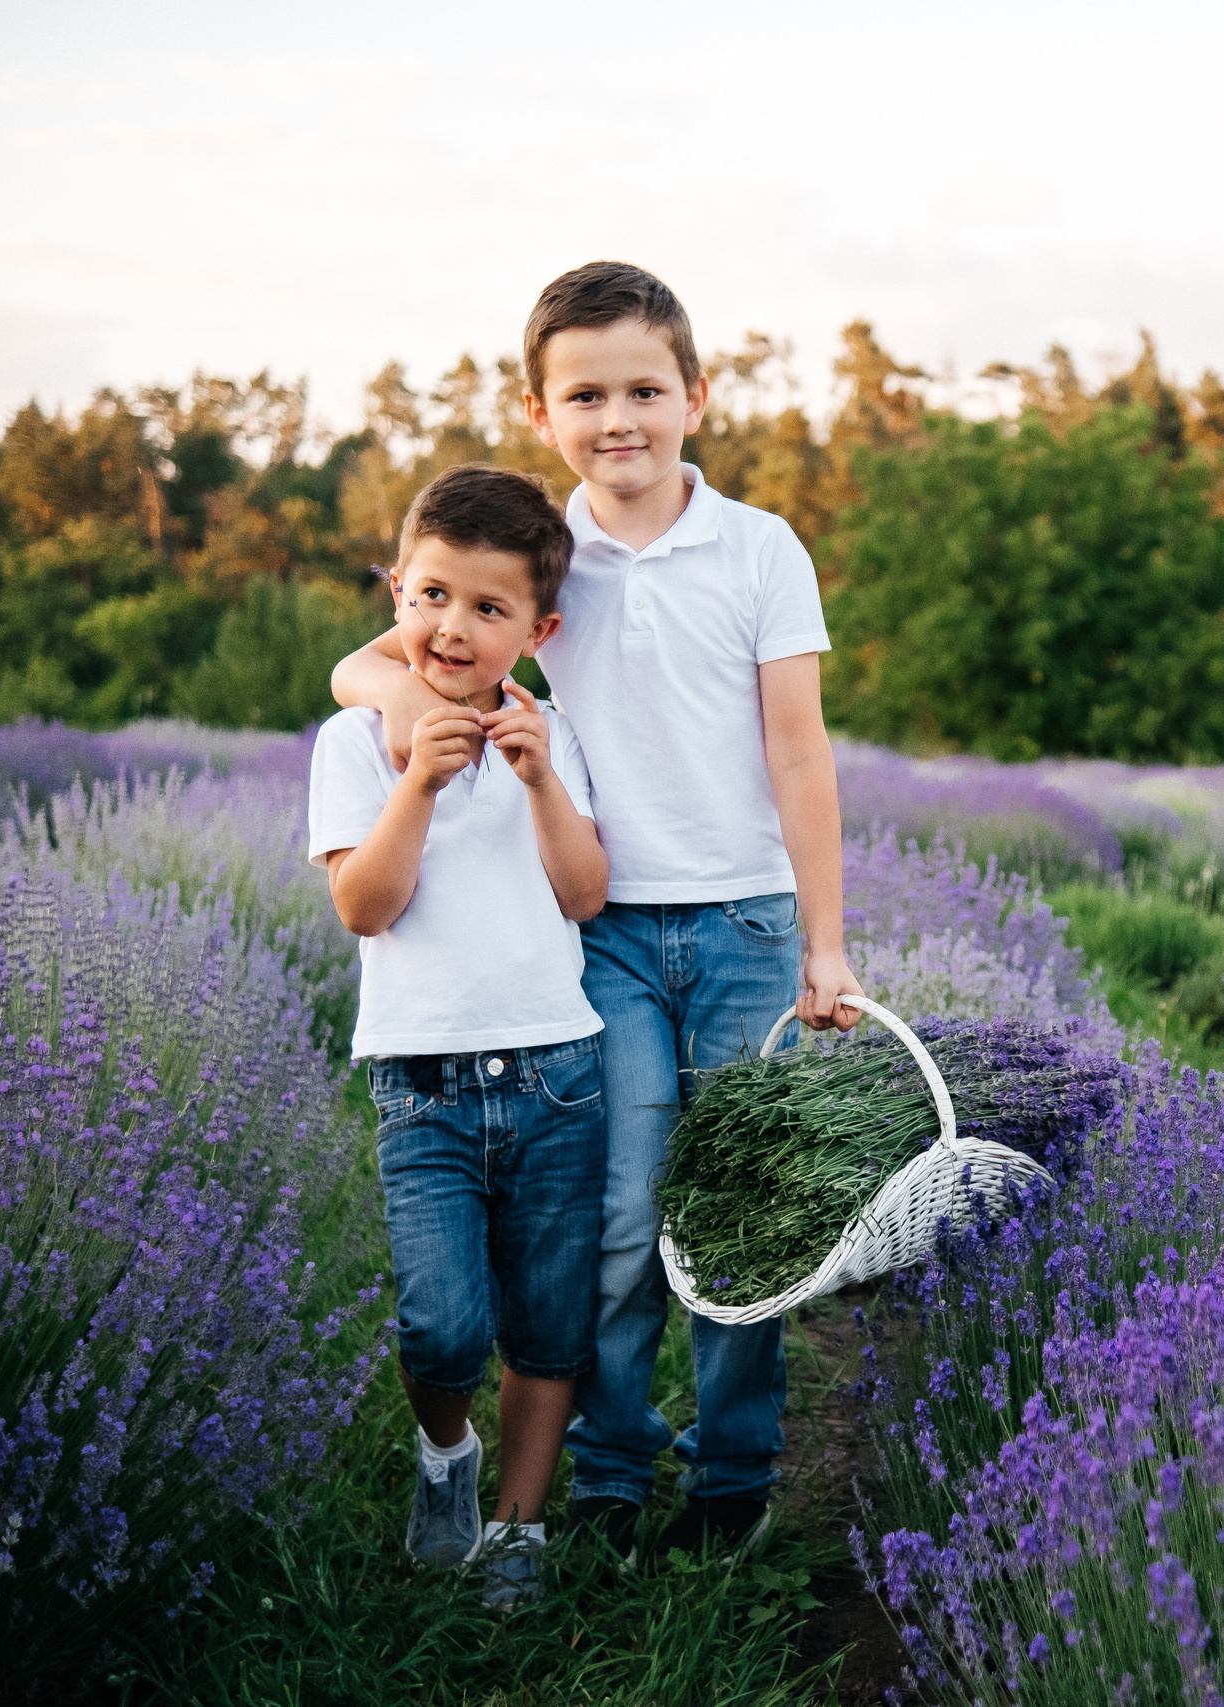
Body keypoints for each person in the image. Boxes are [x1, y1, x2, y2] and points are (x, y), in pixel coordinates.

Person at [330, 261, 864, 1566]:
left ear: (696, 394)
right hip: (607, 935)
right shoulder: (542, 551)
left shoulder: (758, 547)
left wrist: (825, 937)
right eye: (586, 393)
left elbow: (800, 752)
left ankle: (733, 1477)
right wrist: (396, 703)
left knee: (741, 1215)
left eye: (643, 387)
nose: (617, 416)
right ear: (540, 407)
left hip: (742, 924)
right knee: (623, 1219)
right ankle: (615, 1476)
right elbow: (376, 651)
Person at [308, 462, 611, 1609]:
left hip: (556, 1072)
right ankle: (447, 1454)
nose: (453, 627)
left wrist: (540, 784)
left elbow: (583, 893)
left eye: (488, 610)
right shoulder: (356, 742)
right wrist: (418, 790)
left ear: (535, 631)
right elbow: (363, 907)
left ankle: (518, 1530)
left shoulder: (553, 734)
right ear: (396, 591)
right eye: (432, 595)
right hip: (422, 1081)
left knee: (547, 1322)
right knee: (440, 1326)